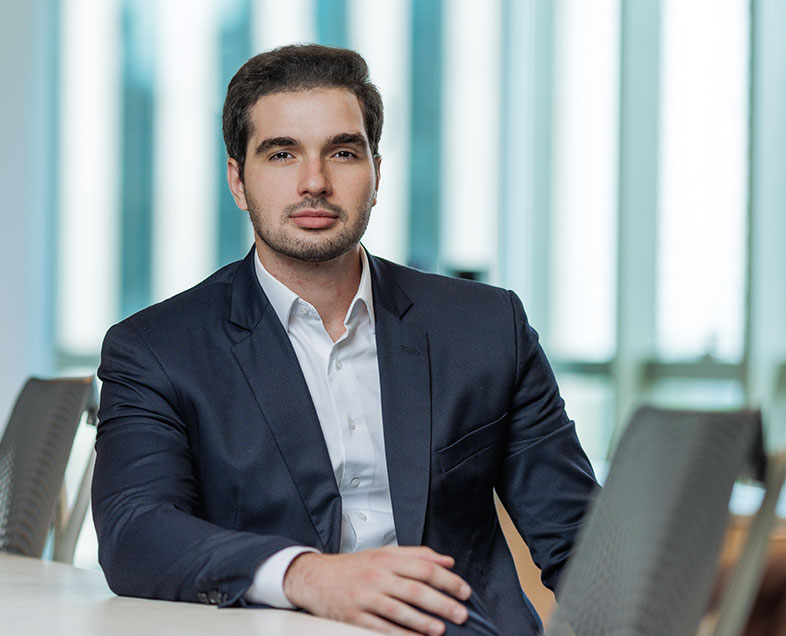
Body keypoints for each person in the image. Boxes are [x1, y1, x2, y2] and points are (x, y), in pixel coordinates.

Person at [92, 43, 597, 636]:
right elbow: (135, 531)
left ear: (376, 174)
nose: (315, 182)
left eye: (343, 152)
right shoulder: (156, 349)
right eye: (282, 154)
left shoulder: (486, 327)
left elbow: (582, 542)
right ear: (237, 179)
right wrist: (307, 577)